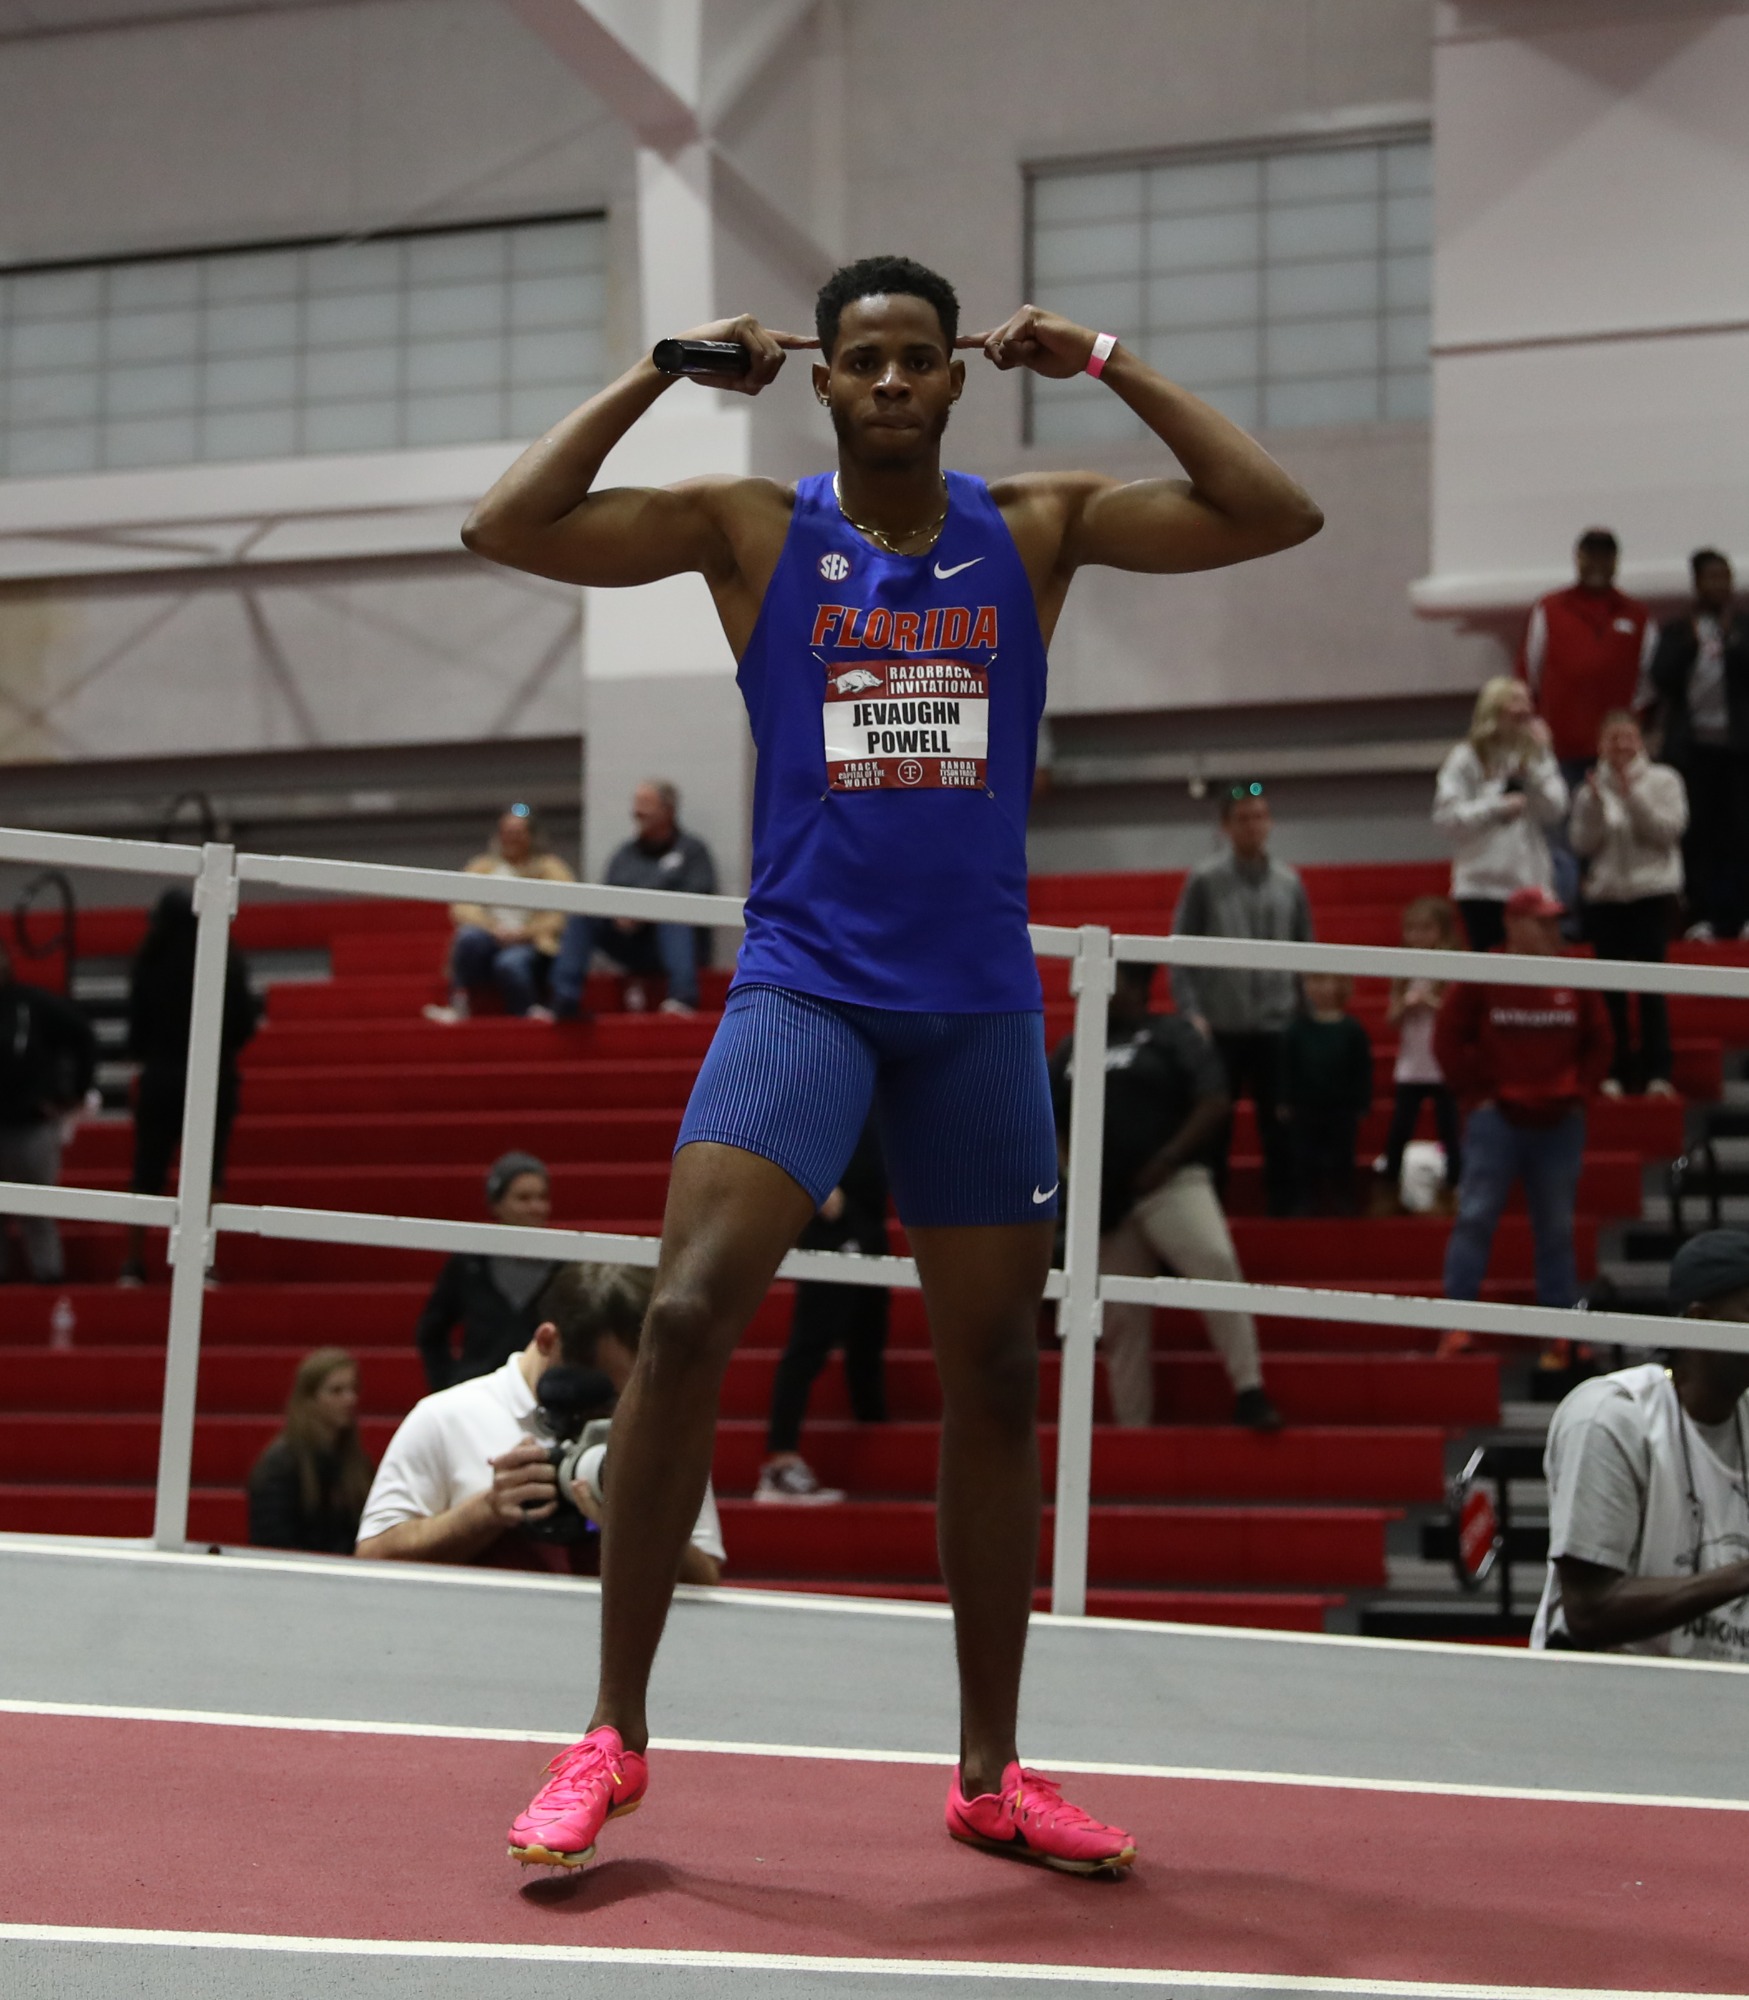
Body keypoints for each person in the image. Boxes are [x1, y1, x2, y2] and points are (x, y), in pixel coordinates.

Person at [462, 254, 1321, 1874]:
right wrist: (665, 368)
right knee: (687, 1316)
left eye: (917, 359)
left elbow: (1273, 512)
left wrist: (1104, 356)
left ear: (956, 376)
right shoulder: (753, 532)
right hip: (806, 987)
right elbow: (506, 524)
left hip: (973, 1007)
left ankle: (989, 1772)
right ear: (820, 378)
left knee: (994, 1371)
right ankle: (609, 1736)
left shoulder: (1036, 527)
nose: (890, 383)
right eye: (861, 359)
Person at [359, 1262, 724, 1583]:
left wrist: (639, 1524)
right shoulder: (447, 1418)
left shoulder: (659, 1425)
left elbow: (706, 1577)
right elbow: (373, 1559)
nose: (624, 1408)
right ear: (547, 1341)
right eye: (605, 1391)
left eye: (638, 1387)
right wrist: (485, 1511)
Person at [1053, 962, 1281, 1434]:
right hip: (1106, 1203)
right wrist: (1074, 1176)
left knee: (1216, 1263)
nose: (1095, 992)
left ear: (1139, 987)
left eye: (1112, 983)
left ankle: (1250, 1390)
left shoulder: (1172, 1033)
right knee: (1120, 1320)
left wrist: (1167, 1159)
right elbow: (1045, 1115)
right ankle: (1133, 1430)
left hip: (1171, 1184)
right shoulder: (1073, 1046)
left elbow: (1214, 1098)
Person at [1532, 1229, 1749, 1661]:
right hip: (1603, 1692)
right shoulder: (1611, 1417)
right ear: (1701, 1321)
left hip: (1718, 1692)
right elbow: (1589, 1611)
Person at [1436, 886, 1613, 1325]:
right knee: (1475, 1217)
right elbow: (1447, 1035)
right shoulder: (1485, 972)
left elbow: (1601, 1039)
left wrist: (1581, 1093)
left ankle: (1557, 1329)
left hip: (1559, 1120)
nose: (1554, 931)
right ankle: (1457, 1323)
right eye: (1543, 922)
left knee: (1556, 1227)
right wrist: (1476, 1095)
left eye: (1555, 922)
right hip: (1497, 1118)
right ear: (1513, 925)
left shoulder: (1575, 974)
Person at [1170, 785, 1312, 1217]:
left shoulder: (1290, 881)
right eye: (1244, 818)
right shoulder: (1205, 880)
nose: (1253, 826)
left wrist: (1305, 1012)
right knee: (1216, 1124)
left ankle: (1285, 1210)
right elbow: (1180, 949)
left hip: (1277, 1023)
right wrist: (1192, 1011)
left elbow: (1307, 950)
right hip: (1221, 1023)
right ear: (1227, 826)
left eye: (1260, 816)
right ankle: (1212, 1210)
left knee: (1281, 1122)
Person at [120, 886, 260, 1286]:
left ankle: (133, 1263)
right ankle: (202, 1262)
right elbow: (244, 1024)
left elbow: (135, 1032)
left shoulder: (148, 963)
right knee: (209, 1171)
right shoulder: (224, 960)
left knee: (147, 1169)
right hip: (213, 1076)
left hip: (161, 1076)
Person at [1519, 528, 1657, 915]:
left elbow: (1647, 687)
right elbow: (1530, 671)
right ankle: (1566, 921)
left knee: (1612, 835)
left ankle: (1604, 918)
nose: (1597, 564)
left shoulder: (1638, 616)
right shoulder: (1549, 609)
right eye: (1590, 555)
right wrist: (1534, 728)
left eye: (1605, 556)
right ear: (1577, 558)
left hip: (1614, 756)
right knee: (1560, 838)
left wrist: (1630, 735)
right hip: (1561, 750)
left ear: (1616, 562)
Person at [756, 1117, 890, 1504]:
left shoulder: (879, 1100)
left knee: (868, 1336)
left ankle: (874, 1427)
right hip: (833, 1232)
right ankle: (781, 1462)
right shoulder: (824, 1095)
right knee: (809, 1344)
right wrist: (823, 1194)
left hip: (870, 1226)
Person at [1568, 710, 1686, 1098]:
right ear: (1601, 745)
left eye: (1628, 737)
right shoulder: (1588, 790)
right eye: (1613, 738)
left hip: (1651, 894)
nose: (1621, 746)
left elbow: (1668, 831)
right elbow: (1582, 844)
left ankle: (1658, 1073)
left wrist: (1632, 795)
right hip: (1606, 899)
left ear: (1640, 741)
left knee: (1651, 988)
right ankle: (1615, 1071)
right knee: (1611, 993)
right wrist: (1594, 806)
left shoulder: (1664, 780)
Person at [1647, 550, 1749, 943]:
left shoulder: (1742, 626)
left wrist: (1733, 642)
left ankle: (1742, 915)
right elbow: (1661, 677)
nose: (1719, 585)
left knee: (1740, 832)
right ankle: (1704, 915)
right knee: (1700, 835)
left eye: (1725, 577)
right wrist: (1690, 646)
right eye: (1711, 577)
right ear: (1696, 583)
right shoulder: (1677, 630)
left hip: (1738, 750)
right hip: (1693, 751)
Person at [551, 780, 718, 1019]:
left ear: (668, 810)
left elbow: (699, 892)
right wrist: (620, 914)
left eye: (646, 804)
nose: (637, 811)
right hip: (631, 942)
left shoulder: (693, 851)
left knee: (673, 915)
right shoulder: (625, 854)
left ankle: (682, 999)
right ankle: (565, 998)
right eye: (636, 804)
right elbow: (607, 895)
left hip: (676, 945)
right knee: (582, 917)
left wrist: (646, 911)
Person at [1433, 676, 1569, 954]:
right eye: (1516, 701)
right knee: (1490, 965)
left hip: (1529, 884)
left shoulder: (1536, 755)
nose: (1526, 710)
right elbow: (1447, 818)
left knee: (1536, 964)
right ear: (1495, 707)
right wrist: (1497, 806)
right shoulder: (1466, 757)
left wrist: (1535, 770)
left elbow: (1556, 809)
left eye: (1528, 702)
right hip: (1482, 886)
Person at [414, 1152, 561, 1390]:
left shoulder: (564, 1266)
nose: (536, 1207)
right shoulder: (469, 1263)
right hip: (479, 1390)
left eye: (542, 1197)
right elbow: (431, 1332)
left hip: (543, 1393)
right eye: (523, 1198)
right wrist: (448, 1384)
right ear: (496, 1204)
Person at [0, 937, 96, 1285]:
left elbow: (83, 1035)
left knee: (38, 1207)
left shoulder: (32, 1004)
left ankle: (49, 1278)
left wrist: (74, 1092)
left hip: (31, 1125)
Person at [428, 805, 575, 1022]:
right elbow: (463, 906)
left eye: (518, 833)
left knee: (510, 963)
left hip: (532, 943)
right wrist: (492, 928)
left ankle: (526, 1010)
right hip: (490, 936)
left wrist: (525, 932)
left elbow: (563, 910)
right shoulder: (482, 866)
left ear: (531, 836)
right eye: (507, 833)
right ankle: (459, 1002)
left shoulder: (551, 868)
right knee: (467, 938)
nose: (511, 839)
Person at [1375, 897, 1463, 1215]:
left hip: (1442, 1066)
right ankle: (1388, 1187)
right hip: (1411, 1066)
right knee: (1400, 1129)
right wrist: (1406, 1005)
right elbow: (1391, 1020)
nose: (1418, 936)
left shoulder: (1452, 970)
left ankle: (1454, 1187)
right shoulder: (1405, 971)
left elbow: (1459, 1019)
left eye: (1426, 928)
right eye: (1412, 929)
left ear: (1443, 931)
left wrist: (1432, 1004)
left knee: (1450, 1130)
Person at [247, 1347, 374, 1554]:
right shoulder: (279, 1467)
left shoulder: (357, 1463)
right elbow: (272, 1543)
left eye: (353, 1389)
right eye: (337, 1391)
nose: (350, 1399)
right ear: (309, 1399)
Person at [1279, 973, 1372, 1217]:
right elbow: (1287, 1068)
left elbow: (1362, 1069)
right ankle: (1305, 1199)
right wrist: (1285, 1099)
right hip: (1305, 1105)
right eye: (1315, 982)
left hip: (1342, 1106)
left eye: (1327, 982)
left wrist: (1362, 1102)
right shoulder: (1296, 1029)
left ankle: (1343, 1196)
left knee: (1342, 1155)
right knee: (1303, 1156)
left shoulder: (1352, 1030)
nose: (1321, 989)